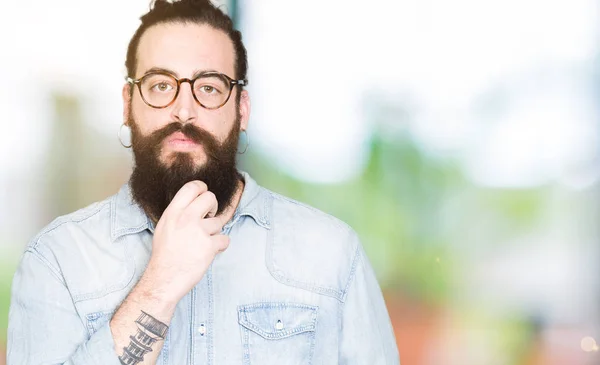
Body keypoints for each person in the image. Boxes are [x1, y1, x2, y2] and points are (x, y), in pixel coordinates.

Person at [7, 0, 400, 364]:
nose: (184, 110)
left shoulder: (332, 255)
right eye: (161, 84)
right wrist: (160, 283)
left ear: (241, 110)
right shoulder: (56, 261)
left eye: (209, 87)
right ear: (128, 104)